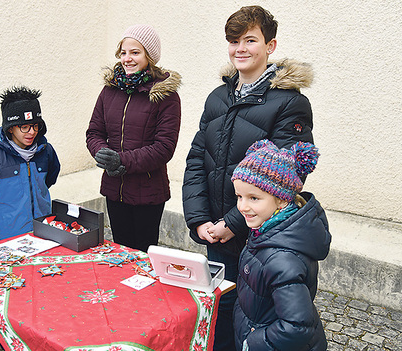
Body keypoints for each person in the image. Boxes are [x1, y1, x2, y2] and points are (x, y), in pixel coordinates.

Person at [182, 5, 315, 350]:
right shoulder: (217, 98)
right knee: (216, 311)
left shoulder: (289, 103)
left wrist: (231, 223)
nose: (240, 48)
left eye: (250, 40)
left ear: (270, 46)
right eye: (233, 40)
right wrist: (199, 220)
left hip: (257, 238)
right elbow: (198, 159)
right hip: (215, 231)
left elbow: (286, 179)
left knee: (250, 318)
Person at [86, 24, 181, 252]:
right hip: (114, 189)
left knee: (144, 258)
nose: (127, 59)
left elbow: (164, 148)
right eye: (124, 52)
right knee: (120, 253)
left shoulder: (166, 96)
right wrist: (102, 154)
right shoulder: (109, 91)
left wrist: (122, 161)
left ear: (150, 56)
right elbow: (94, 132)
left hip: (148, 194)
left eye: (135, 52)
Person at [231, 139, 329, 351]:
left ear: (282, 201)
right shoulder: (266, 230)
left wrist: (253, 342)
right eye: (239, 196)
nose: (242, 206)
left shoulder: (282, 259)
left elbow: (296, 325)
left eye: (254, 198)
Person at [0, 86, 60, 245]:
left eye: (36, 126)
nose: (32, 132)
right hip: (6, 241)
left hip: (43, 236)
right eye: (24, 127)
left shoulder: (46, 151)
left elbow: (48, 181)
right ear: (10, 128)